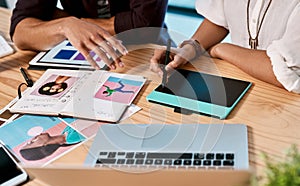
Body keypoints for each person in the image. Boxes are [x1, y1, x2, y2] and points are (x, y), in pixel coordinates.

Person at [150, 0, 300, 94]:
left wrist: (221, 49)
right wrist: (189, 48)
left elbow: (288, 73)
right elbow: (219, 18)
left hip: (284, 99)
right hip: (240, 81)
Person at [10, 0, 169, 69]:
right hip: (83, 56)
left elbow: (144, 27)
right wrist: (65, 26)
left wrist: (75, 23)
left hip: (144, 51)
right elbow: (20, 33)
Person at [20, 126, 85, 161]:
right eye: (31, 142)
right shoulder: (72, 138)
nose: (33, 138)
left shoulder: (65, 133)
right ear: (43, 147)